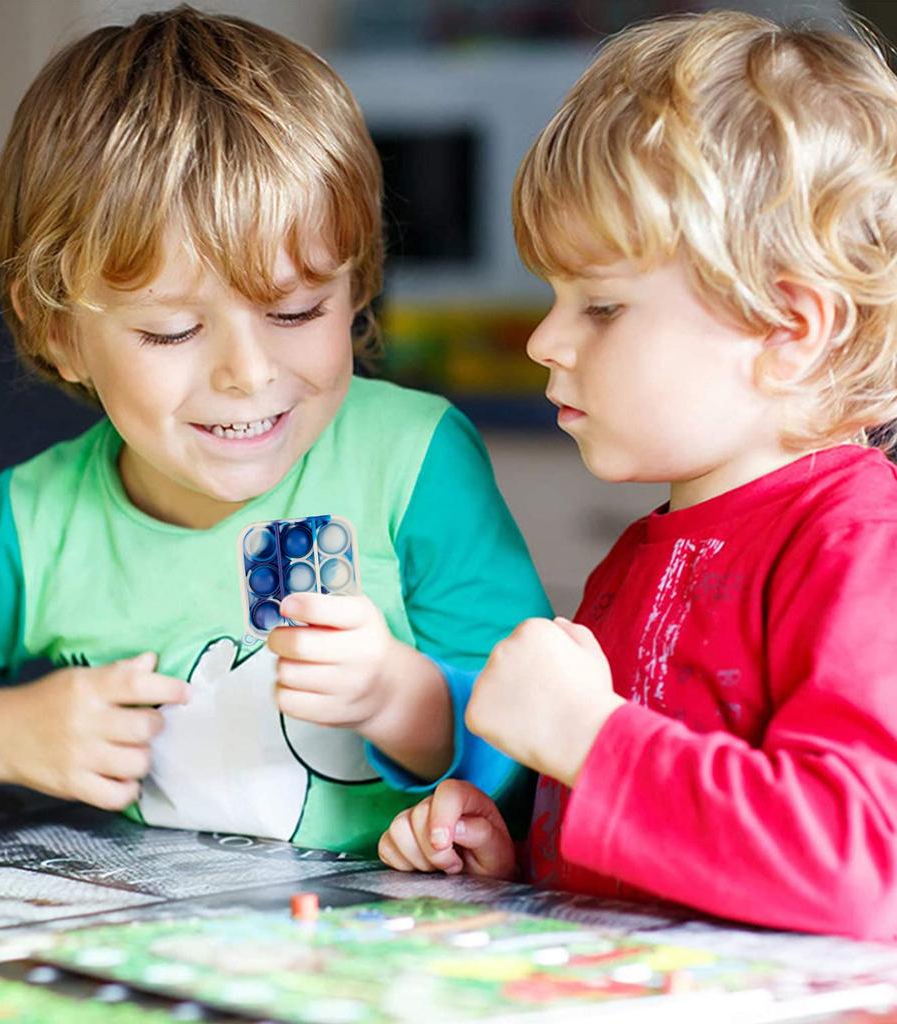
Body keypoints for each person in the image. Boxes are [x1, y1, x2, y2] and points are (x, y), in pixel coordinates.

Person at [0, 6, 549, 854]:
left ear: (356, 287)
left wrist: (402, 702)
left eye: (296, 312)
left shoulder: (414, 464)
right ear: (58, 331)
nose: (248, 373)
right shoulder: (31, 523)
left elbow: (541, 735)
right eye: (172, 331)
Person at [378, 9, 897, 938]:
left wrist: (587, 736)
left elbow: (860, 864)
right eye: (555, 296)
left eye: (602, 306)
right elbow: (663, 851)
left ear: (789, 330)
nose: (544, 339)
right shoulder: (643, 553)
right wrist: (514, 856)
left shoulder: (859, 548)